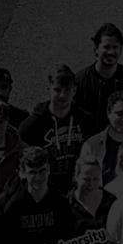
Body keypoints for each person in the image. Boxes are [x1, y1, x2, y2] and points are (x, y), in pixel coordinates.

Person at [20, 64, 99, 194]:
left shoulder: (86, 121)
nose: (62, 95)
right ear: (49, 88)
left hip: (77, 187)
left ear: (74, 90)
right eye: (57, 90)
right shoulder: (32, 125)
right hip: (45, 189)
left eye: (67, 90)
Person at [78, 23, 123, 122]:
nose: (111, 52)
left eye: (115, 47)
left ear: (121, 49)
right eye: (106, 47)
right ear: (96, 50)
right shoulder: (80, 81)